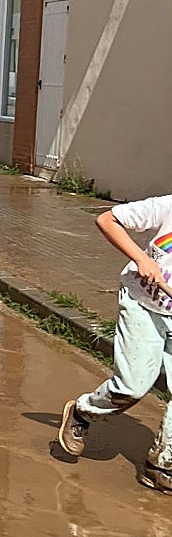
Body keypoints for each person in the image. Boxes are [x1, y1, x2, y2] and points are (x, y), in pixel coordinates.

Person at [58, 198, 172, 494]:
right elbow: (107, 220)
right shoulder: (168, 207)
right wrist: (142, 259)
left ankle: (161, 465)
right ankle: (83, 411)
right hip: (143, 305)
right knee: (132, 387)